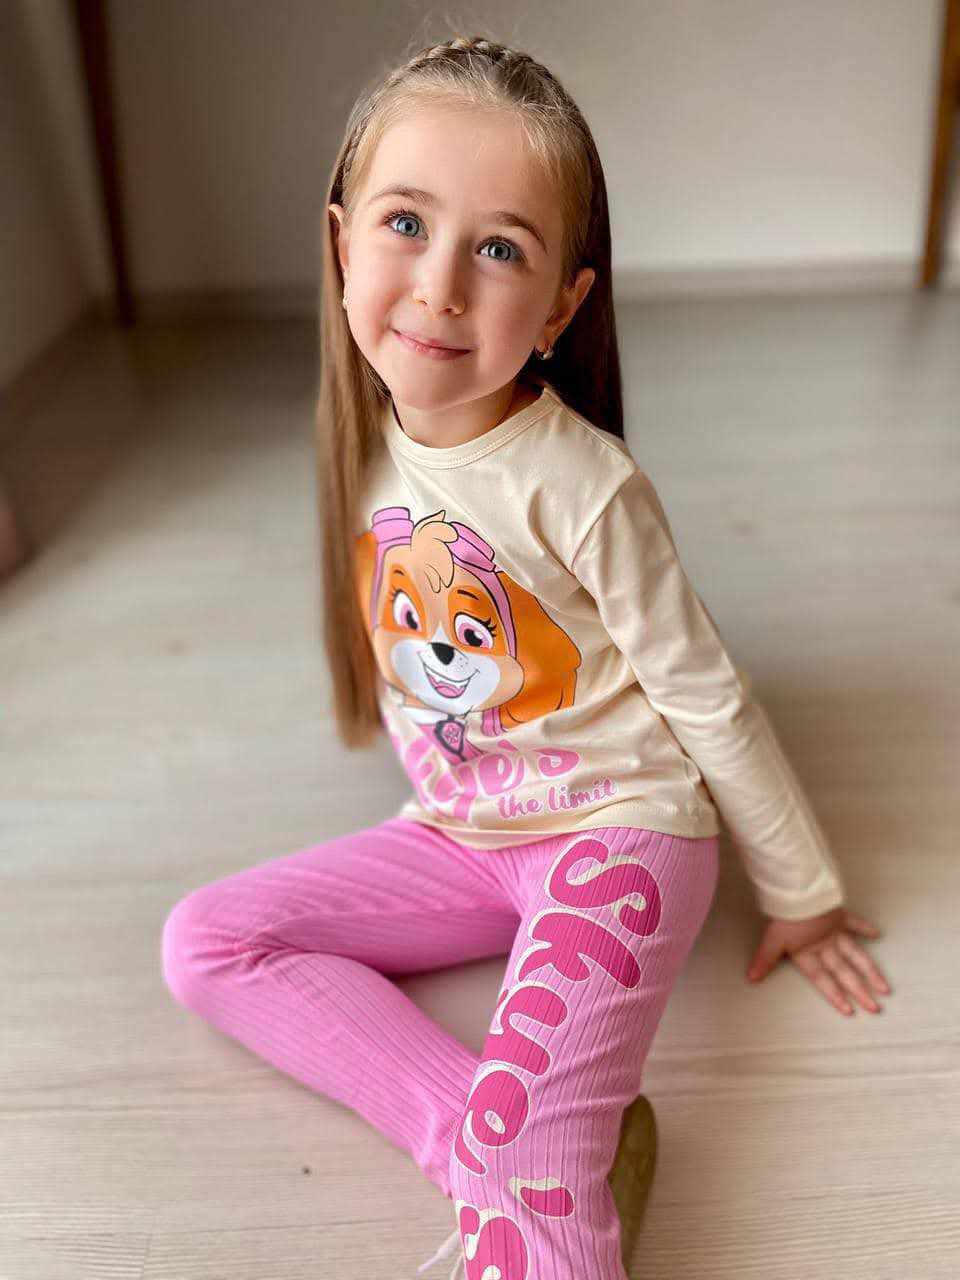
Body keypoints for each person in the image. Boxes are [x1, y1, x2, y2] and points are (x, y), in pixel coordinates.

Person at [161, 33, 893, 1280]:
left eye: (498, 248)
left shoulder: (583, 483)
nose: (441, 284)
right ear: (339, 245)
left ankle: (530, 1161)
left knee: (527, 1179)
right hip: (461, 827)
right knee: (206, 942)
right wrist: (491, 1128)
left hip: (618, 831)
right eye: (405, 223)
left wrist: (803, 887)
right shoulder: (363, 443)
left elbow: (708, 698)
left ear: (560, 305)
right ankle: (499, 1142)